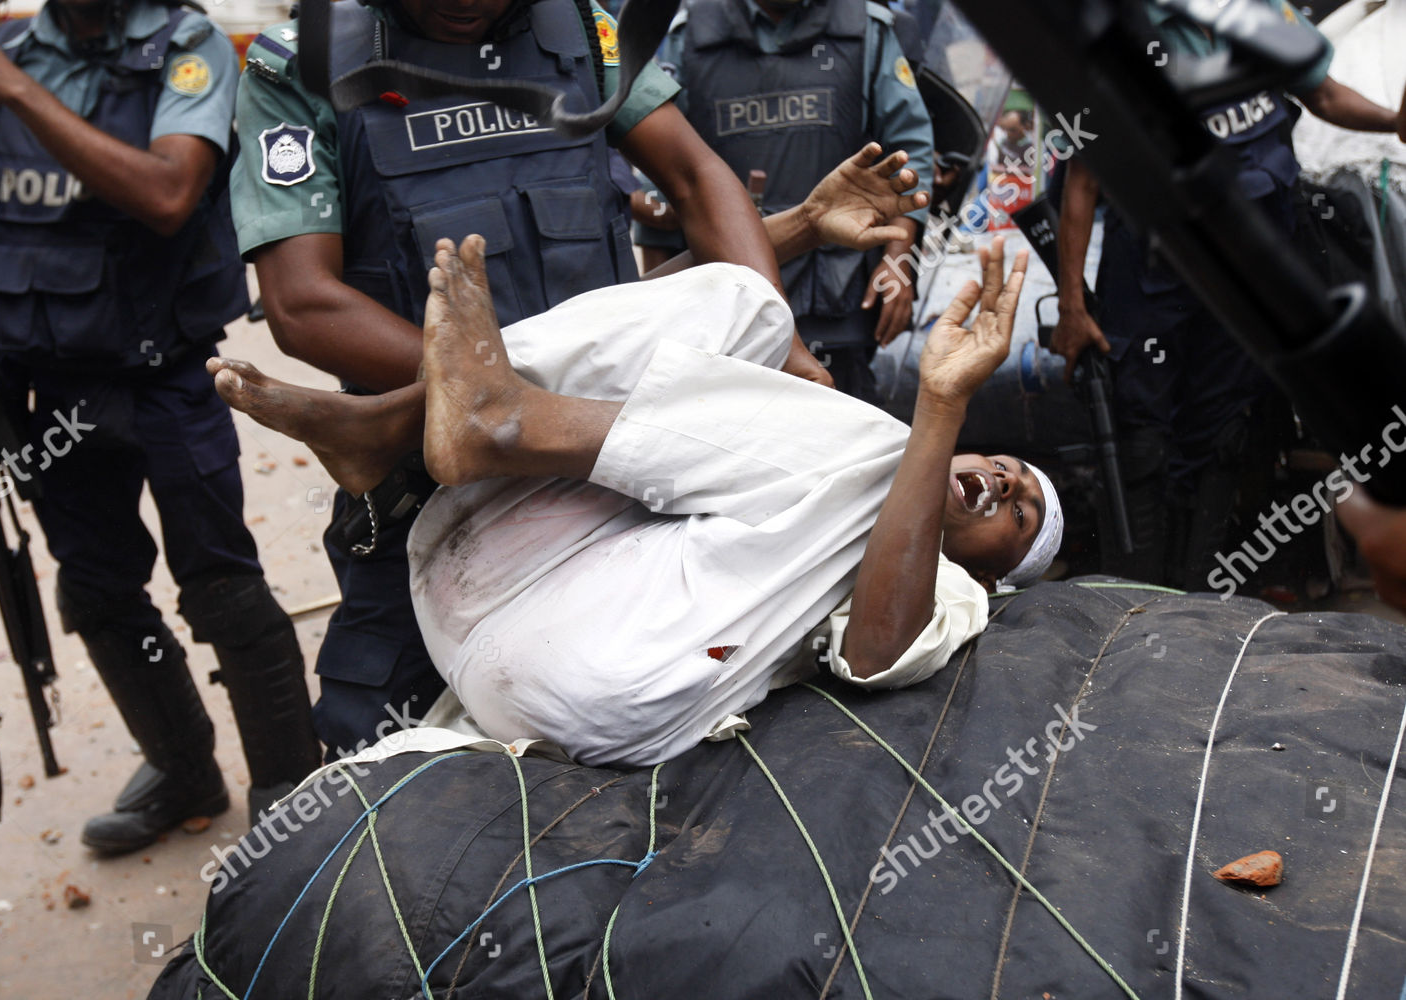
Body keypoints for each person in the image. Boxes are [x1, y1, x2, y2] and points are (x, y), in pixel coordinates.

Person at [205, 208, 1063, 765]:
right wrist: (791, 329)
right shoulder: (834, 458)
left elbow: (877, 654)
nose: (1001, 484)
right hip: (475, 575)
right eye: (1013, 468)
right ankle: (397, 427)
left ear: (994, 575)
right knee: (748, 303)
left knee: (880, 449)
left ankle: (487, 419)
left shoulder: (955, 592)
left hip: (598, 675)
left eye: (1019, 516)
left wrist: (943, 403)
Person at [233, 0, 834, 757]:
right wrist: (495, 398)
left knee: (666, 736)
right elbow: (303, 303)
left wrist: (775, 335)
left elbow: (695, 177)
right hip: (434, 498)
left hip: (627, 467)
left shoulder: (582, 34)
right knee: (382, 768)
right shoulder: (299, 65)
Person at [0, 0, 320, 853]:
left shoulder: (184, 47)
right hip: (47, 380)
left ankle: (289, 798)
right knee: (100, 594)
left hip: (163, 377)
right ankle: (185, 770)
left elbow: (167, 192)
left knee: (222, 585)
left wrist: (17, 90)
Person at [1052, 0, 1406, 591]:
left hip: (1250, 273)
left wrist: (1392, 121)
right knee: (1142, 438)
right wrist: (1072, 307)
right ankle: (1136, 596)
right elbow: (1083, 182)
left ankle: (1199, 597)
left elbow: (1325, 96)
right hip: (1151, 279)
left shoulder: (1263, 16)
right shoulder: (1120, 31)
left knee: (1222, 433)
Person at [634, 0, 935, 403]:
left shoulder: (866, 28)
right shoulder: (686, 35)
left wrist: (898, 262)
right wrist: (660, 318)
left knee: (845, 430)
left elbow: (908, 153)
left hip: (837, 293)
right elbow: (660, 175)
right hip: (724, 304)